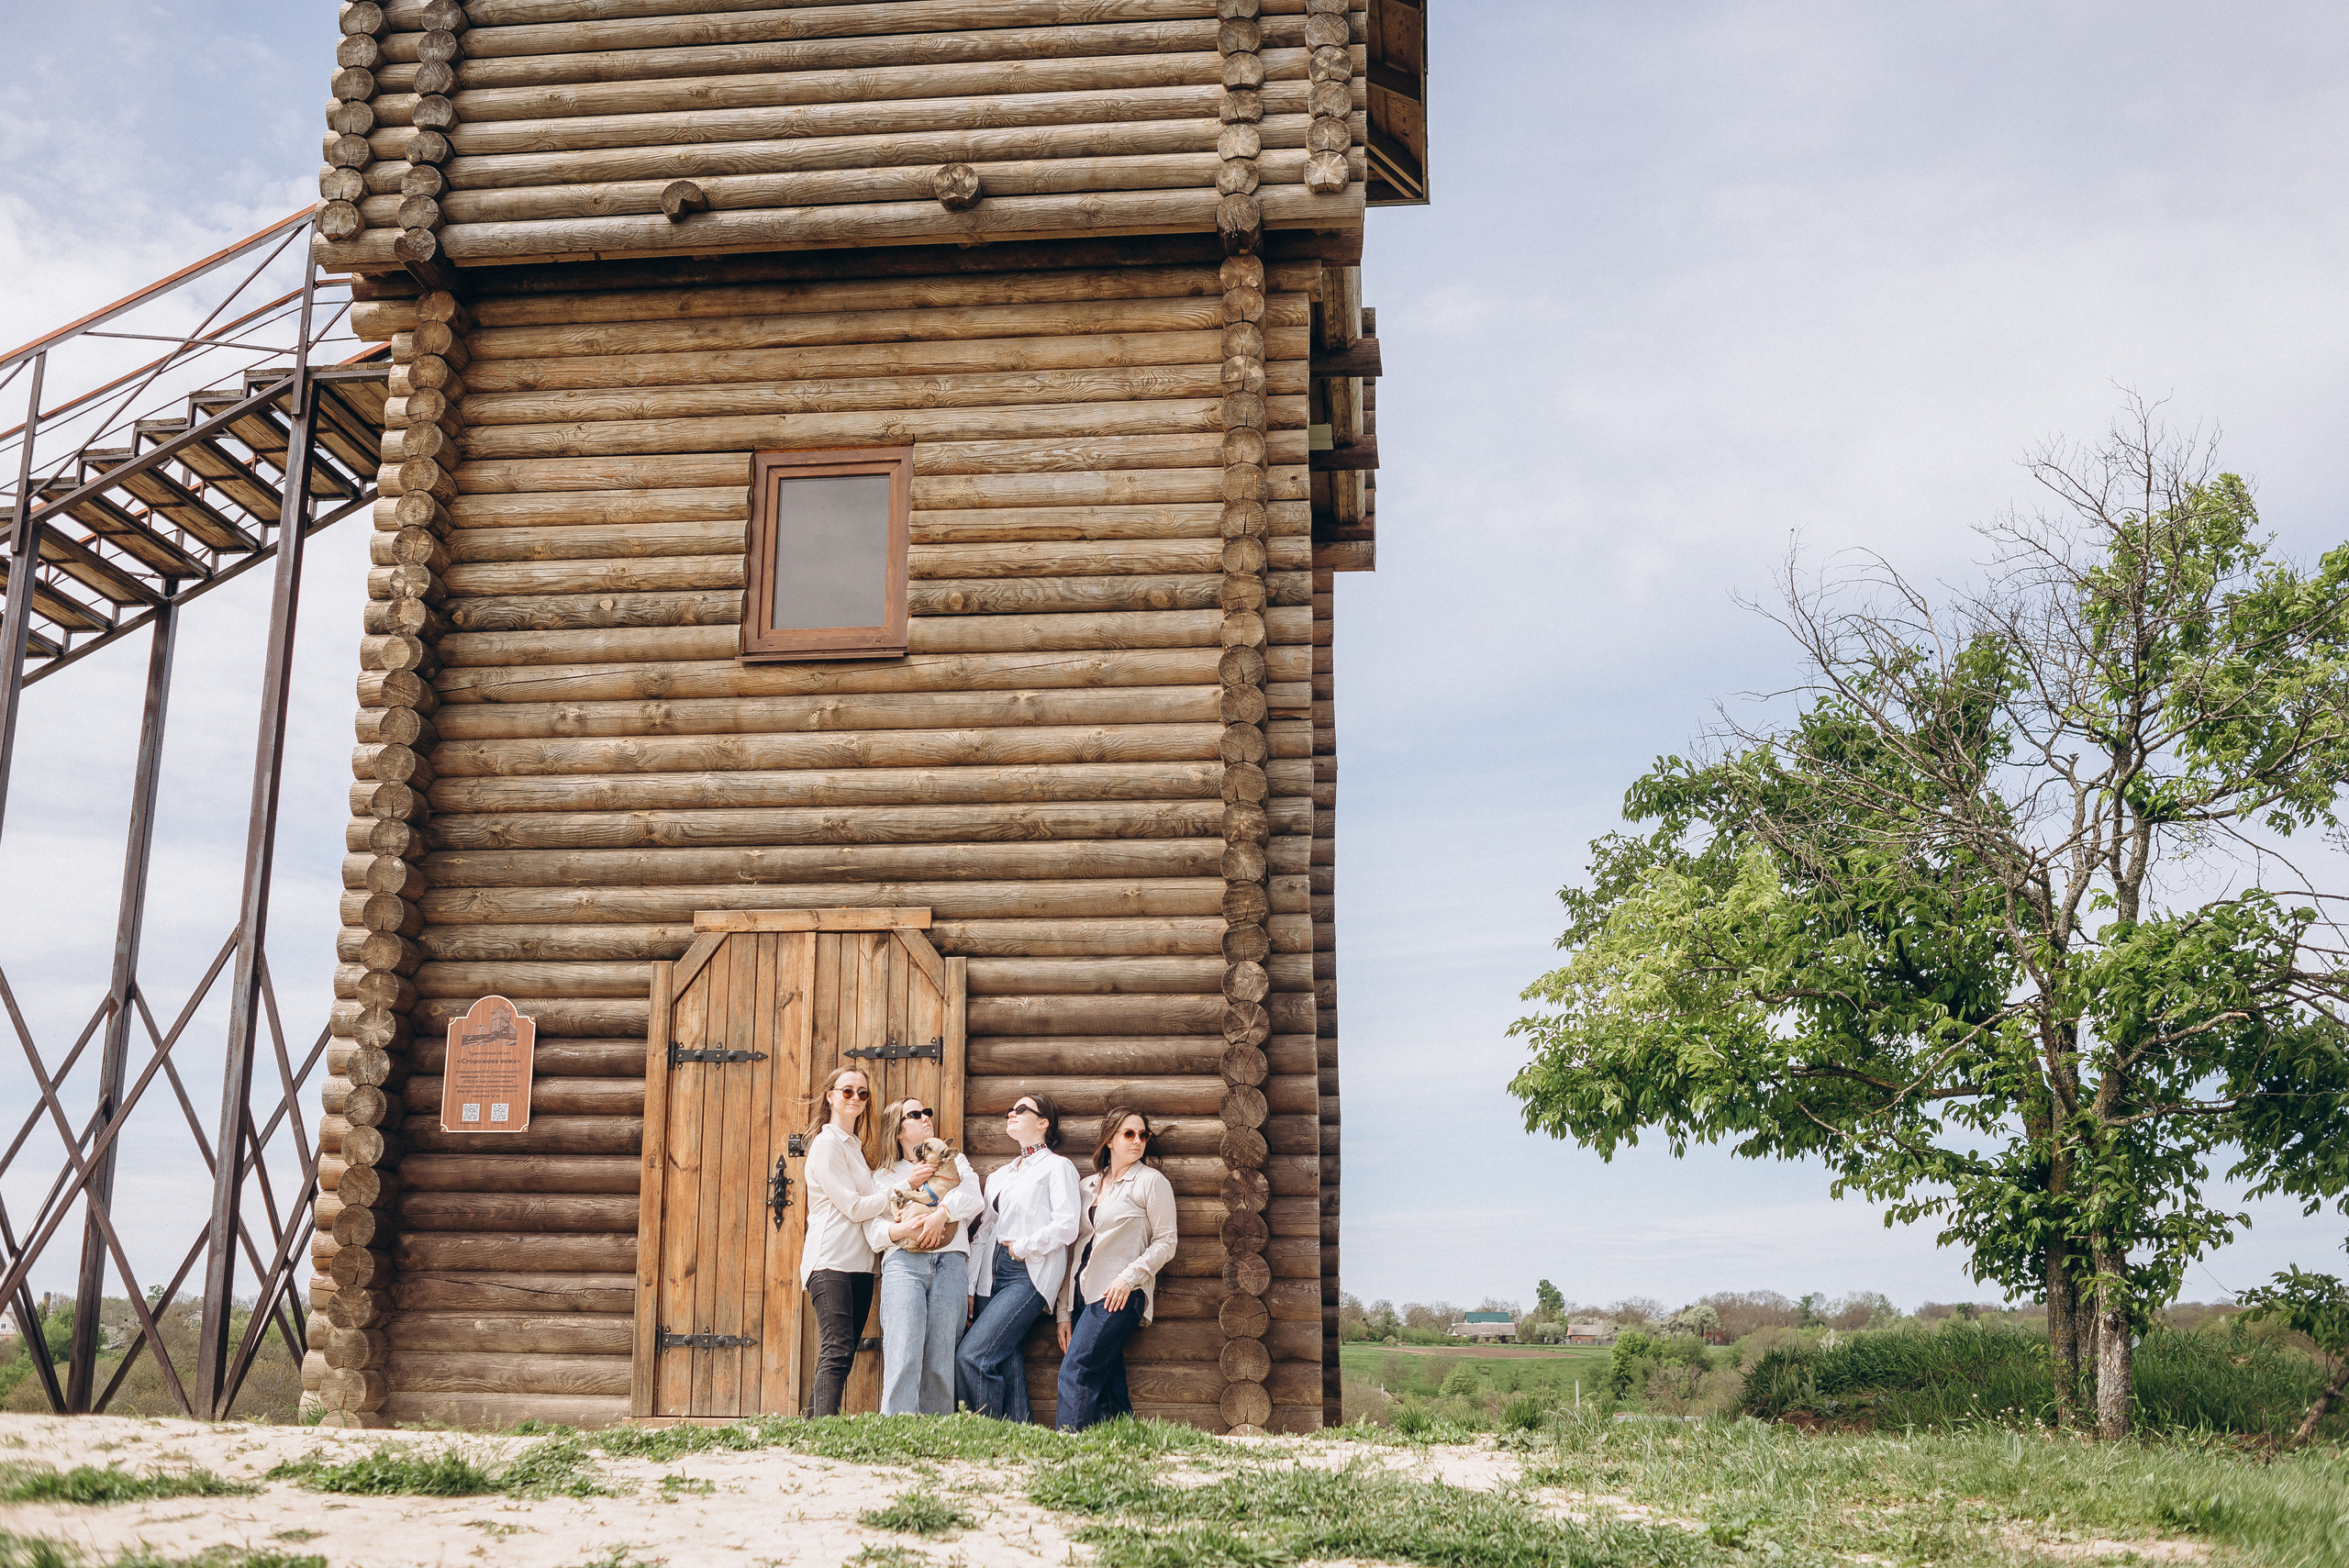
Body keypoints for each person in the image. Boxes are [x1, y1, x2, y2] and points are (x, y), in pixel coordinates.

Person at [956, 1093, 1081, 1421]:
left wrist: (1023, 1246)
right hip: (989, 1275)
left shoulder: (1058, 1167)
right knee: (1005, 1358)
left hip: (1027, 1273)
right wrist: (970, 1286)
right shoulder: (1000, 1176)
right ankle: (1019, 1436)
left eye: (1021, 1109)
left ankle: (984, 1437)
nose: (1012, 1113)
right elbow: (984, 1233)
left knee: (973, 1357)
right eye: (1010, 1109)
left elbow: (1067, 1225)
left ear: (1043, 1123)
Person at [1053, 1106, 1178, 1430]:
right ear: (1110, 1139)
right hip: (1084, 1294)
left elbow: (1166, 1242)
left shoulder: (1151, 1182)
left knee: (1076, 1369)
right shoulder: (1087, 1187)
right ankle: (1123, 1444)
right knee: (1108, 1378)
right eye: (1128, 1134)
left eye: (1142, 1135)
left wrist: (1128, 1279)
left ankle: (1067, 1446)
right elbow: (1074, 1250)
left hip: (1120, 1294)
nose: (1137, 1141)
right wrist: (1064, 1312)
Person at [867, 1098, 985, 1415]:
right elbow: (873, 1230)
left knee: (940, 1356)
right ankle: (898, 1429)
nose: (926, 1118)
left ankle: (937, 1432)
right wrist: (903, 1231)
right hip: (904, 1264)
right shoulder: (885, 1176)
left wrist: (941, 1214)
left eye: (927, 1113)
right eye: (915, 1115)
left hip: (950, 1264)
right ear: (898, 1131)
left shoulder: (955, 1164)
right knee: (904, 1349)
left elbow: (973, 1198)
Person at [799, 1066, 896, 1418]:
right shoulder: (826, 1145)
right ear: (831, 1096)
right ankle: (823, 1427)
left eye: (863, 1093)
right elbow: (854, 1207)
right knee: (837, 1348)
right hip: (831, 1261)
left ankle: (812, 1421)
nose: (855, 1098)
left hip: (861, 1265)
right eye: (847, 1091)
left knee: (844, 1350)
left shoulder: (854, 1147)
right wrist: (901, 1191)